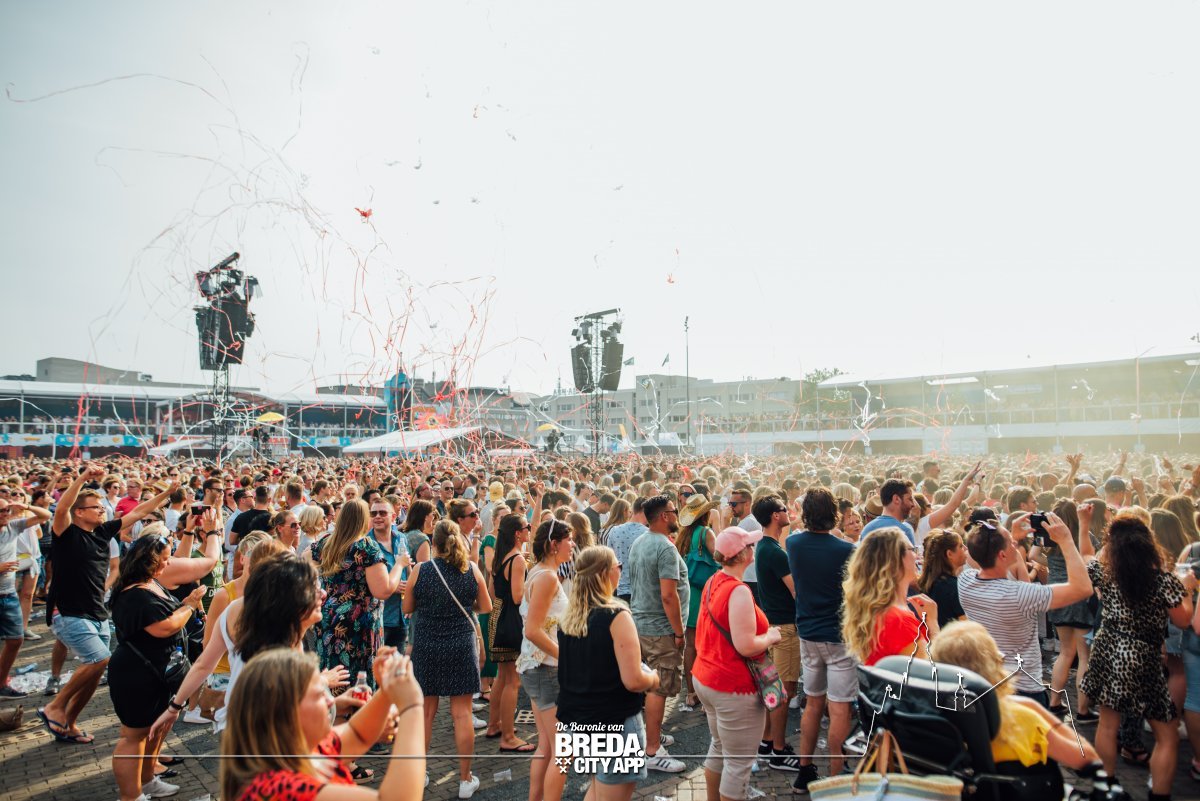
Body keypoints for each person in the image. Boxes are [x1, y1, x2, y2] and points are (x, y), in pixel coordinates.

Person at [40, 466, 175, 745]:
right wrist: (83, 478)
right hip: (68, 611)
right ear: (79, 512)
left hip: (96, 611)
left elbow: (139, 512)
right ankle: (55, 707)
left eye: (103, 507)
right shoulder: (66, 532)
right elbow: (63, 506)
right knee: (99, 659)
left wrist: (167, 493)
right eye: (96, 507)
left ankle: (68, 722)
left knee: (95, 671)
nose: (103, 510)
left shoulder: (102, 532)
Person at [1082, 510, 1192, 801]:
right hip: (1143, 654)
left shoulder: (1104, 574)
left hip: (1108, 647)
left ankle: (1105, 788)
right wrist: (1188, 589)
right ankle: (1159, 795)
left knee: (1107, 725)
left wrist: (1083, 525)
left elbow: (1086, 557)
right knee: (1166, 734)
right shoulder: (1163, 581)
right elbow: (1183, 620)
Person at [220, 647, 426, 801]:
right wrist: (412, 705)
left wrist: (388, 688)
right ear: (286, 713)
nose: (331, 701)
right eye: (320, 694)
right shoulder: (282, 788)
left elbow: (357, 734)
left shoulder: (304, 751)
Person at [107, 535, 207, 801]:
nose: (167, 563)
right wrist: (189, 605)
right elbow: (164, 627)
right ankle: (130, 795)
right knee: (134, 736)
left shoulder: (150, 584)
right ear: (146, 560)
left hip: (158, 672)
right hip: (137, 674)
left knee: (155, 729)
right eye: (162, 559)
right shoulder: (134, 594)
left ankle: (147, 779)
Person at [958, 512, 1092, 707]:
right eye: (1011, 544)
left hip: (988, 683)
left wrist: (1007, 537)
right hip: (1024, 689)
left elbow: (983, 552)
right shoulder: (1020, 595)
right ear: (1002, 555)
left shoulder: (965, 581)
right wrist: (1066, 541)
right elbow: (1083, 588)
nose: (1015, 544)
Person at [557, 546, 659, 801]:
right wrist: (653, 678)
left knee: (597, 789)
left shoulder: (569, 617)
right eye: (618, 566)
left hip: (578, 721)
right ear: (605, 573)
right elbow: (633, 680)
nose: (620, 570)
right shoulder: (616, 615)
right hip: (614, 721)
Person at [930, 621, 1101, 771]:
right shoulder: (1018, 715)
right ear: (994, 663)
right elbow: (1086, 758)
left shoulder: (934, 713)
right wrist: (1045, 717)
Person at [403, 520, 491, 799]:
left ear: (434, 543)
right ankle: (465, 779)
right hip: (461, 643)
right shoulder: (471, 569)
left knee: (426, 714)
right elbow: (486, 606)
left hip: (427, 643)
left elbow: (407, 607)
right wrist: (465, 605)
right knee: (462, 714)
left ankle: (420, 774)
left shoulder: (421, 570)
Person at [692, 526, 781, 801]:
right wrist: (770, 636)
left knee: (720, 748)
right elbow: (746, 645)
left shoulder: (714, 580)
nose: (753, 549)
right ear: (741, 554)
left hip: (707, 677)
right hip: (732, 685)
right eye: (749, 546)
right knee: (738, 764)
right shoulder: (738, 590)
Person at [786, 487, 857, 792]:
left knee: (813, 703)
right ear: (834, 514)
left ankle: (805, 771)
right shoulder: (846, 550)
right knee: (839, 709)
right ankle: (837, 777)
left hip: (808, 632)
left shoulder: (793, 543)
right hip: (838, 635)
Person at [626, 494, 688, 773]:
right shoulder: (664, 547)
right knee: (658, 689)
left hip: (641, 624)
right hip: (661, 629)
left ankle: (652, 734)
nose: (677, 514)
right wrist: (678, 632)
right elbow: (668, 595)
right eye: (674, 511)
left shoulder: (641, 541)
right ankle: (652, 750)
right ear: (664, 516)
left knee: (652, 686)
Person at [312, 499, 404, 689]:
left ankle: (332, 707)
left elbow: (306, 565)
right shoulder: (365, 547)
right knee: (359, 681)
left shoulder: (325, 542)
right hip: (358, 623)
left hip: (328, 617)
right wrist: (399, 565)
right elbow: (383, 590)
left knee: (333, 675)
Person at [518, 519, 573, 801]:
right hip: (545, 669)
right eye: (569, 540)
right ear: (554, 544)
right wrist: (567, 659)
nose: (572, 545)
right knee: (563, 751)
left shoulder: (540, 571)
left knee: (547, 746)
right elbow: (532, 630)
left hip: (537, 667)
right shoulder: (547, 577)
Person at [1030, 500, 1098, 721]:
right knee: (1084, 656)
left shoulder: (1049, 537)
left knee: (1066, 652)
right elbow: (1093, 562)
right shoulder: (1083, 535)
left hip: (1057, 594)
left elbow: (1032, 555)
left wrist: (1051, 564)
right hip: (1080, 597)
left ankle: (1055, 702)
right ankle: (1083, 710)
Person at [749, 495, 801, 771]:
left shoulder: (765, 546)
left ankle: (767, 741)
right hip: (786, 628)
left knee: (774, 688)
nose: (788, 511)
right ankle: (779, 752)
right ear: (775, 516)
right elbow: (796, 592)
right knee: (784, 690)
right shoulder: (775, 552)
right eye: (784, 508)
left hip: (773, 625)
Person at [842, 527, 939, 666]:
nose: (917, 556)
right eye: (912, 550)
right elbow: (931, 672)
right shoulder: (899, 621)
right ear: (895, 560)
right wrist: (933, 624)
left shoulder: (876, 609)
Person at [483, 514, 533, 752]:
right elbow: (518, 597)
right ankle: (509, 737)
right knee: (513, 680)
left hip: (498, 616)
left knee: (502, 678)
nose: (529, 530)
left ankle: (494, 725)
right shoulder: (518, 559)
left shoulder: (500, 556)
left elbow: (493, 592)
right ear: (517, 533)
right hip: (511, 620)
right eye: (527, 527)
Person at [0, 497, 51, 696]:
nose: (5, 514)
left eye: (7, 510)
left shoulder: (13, 526)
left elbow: (45, 515)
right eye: (1, 511)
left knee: (15, 639)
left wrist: (26, 506)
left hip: (8, 595)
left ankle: (1, 683)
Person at [673, 493, 718, 711]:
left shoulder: (684, 535)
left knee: (690, 646)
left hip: (686, 594)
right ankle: (706, 691)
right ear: (705, 514)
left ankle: (691, 692)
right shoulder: (706, 532)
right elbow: (719, 557)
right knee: (706, 645)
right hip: (703, 594)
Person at [368, 498, 410, 651]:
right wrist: (391, 586)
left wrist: (410, 591)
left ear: (393, 516)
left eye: (382, 513)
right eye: (374, 513)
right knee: (376, 663)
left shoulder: (401, 538)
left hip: (401, 616)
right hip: (378, 618)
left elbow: (407, 567)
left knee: (396, 664)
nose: (377, 517)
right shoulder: (366, 544)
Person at [917, 529, 968, 627]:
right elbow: (965, 625)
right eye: (961, 546)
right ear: (949, 554)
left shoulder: (927, 581)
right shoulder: (953, 587)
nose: (965, 548)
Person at [606, 497, 647, 603]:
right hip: (641, 590)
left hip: (618, 588)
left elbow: (608, 560)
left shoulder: (615, 530)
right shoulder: (648, 533)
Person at [859, 478, 916, 544]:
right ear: (896, 499)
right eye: (910, 499)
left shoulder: (867, 530)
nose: (913, 504)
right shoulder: (904, 532)